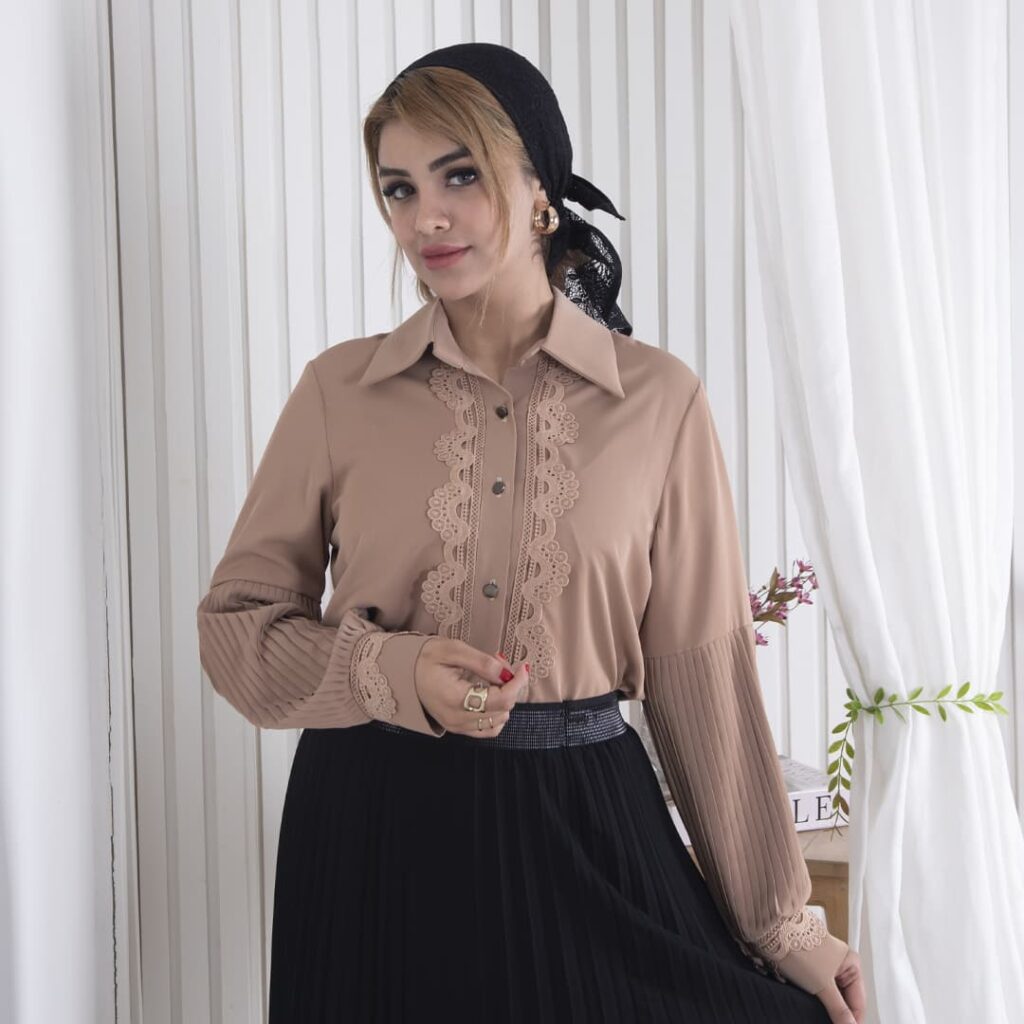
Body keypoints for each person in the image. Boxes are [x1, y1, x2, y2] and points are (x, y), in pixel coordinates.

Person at [196, 41, 865, 1024]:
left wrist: (785, 927)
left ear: (542, 192)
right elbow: (236, 629)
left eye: (459, 176)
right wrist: (392, 670)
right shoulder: (340, 391)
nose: (424, 217)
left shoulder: (657, 401)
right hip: (374, 831)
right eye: (398, 188)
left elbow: (701, 680)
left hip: (585, 825)